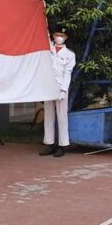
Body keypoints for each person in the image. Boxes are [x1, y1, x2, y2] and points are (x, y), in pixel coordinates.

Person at [40, 29, 76, 158]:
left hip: (61, 87)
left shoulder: (69, 54)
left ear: (66, 37)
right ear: (53, 36)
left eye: (62, 35)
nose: (59, 37)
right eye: (57, 35)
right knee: (48, 115)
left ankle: (61, 145)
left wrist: (64, 90)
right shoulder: (48, 49)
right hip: (48, 85)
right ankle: (49, 144)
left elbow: (68, 73)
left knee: (62, 116)